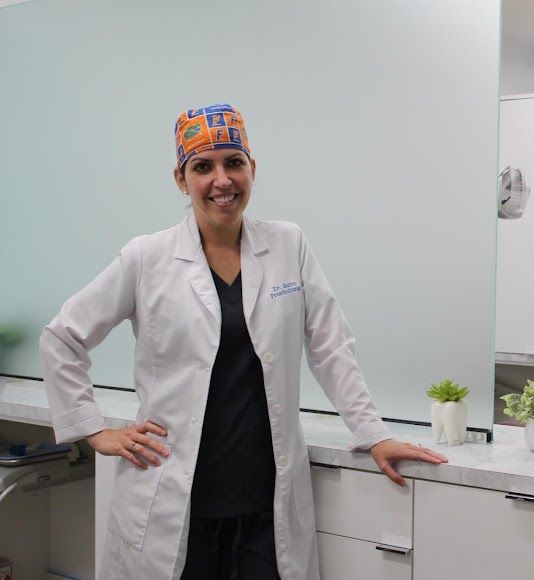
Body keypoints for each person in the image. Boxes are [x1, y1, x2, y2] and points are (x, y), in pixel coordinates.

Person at [39, 103, 448, 580]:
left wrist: (373, 433)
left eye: (233, 163)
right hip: (177, 500)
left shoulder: (287, 244)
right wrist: (94, 429)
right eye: (203, 167)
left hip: (265, 501)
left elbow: (331, 347)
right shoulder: (146, 257)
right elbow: (62, 337)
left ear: (252, 168)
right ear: (180, 178)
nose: (222, 180)